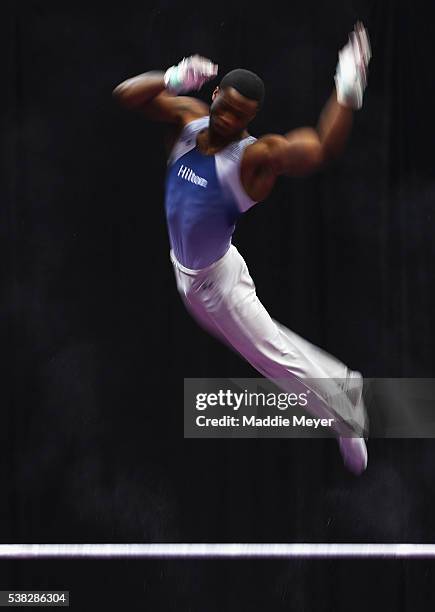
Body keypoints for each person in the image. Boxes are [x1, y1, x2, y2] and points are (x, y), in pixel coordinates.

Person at [113, 22, 371, 474]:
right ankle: (342, 387)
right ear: (213, 96)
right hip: (204, 268)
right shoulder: (185, 122)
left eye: (241, 116)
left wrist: (347, 88)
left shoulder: (254, 158)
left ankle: (344, 408)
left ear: (251, 119)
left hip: (213, 285)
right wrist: (172, 78)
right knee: (270, 343)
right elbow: (125, 96)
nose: (229, 120)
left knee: (270, 355)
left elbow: (322, 148)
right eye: (225, 108)